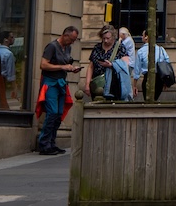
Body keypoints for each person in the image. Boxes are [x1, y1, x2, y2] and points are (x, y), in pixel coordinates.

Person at [36, 26, 82, 155]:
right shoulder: (51, 46)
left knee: (59, 113)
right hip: (50, 83)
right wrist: (63, 66)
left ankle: (51, 142)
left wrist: (71, 68)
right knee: (52, 112)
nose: (72, 42)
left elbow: (64, 65)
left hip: (61, 82)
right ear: (65, 35)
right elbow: (43, 65)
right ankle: (44, 144)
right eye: (72, 39)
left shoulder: (68, 47)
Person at [133, 30, 173, 101]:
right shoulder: (161, 50)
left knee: (147, 100)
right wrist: (166, 81)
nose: (142, 37)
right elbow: (167, 63)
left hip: (147, 77)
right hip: (160, 78)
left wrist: (134, 85)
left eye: (143, 35)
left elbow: (137, 70)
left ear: (146, 37)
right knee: (155, 99)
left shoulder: (141, 51)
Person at [88, 24, 125, 100]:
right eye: (103, 38)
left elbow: (125, 65)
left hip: (113, 85)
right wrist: (87, 84)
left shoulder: (120, 47)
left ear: (113, 37)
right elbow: (91, 66)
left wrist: (112, 65)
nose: (105, 40)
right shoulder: (97, 47)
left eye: (108, 38)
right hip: (97, 83)